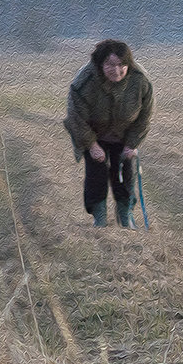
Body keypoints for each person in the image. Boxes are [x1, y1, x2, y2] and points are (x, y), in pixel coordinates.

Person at [64, 39, 153, 227]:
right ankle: (100, 218)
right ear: (100, 64)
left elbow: (144, 116)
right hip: (94, 134)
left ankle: (125, 215)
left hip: (124, 135)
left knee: (125, 174)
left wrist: (132, 144)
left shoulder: (140, 81)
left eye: (122, 65)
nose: (117, 70)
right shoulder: (84, 82)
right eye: (110, 65)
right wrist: (92, 145)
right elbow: (76, 118)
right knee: (96, 175)